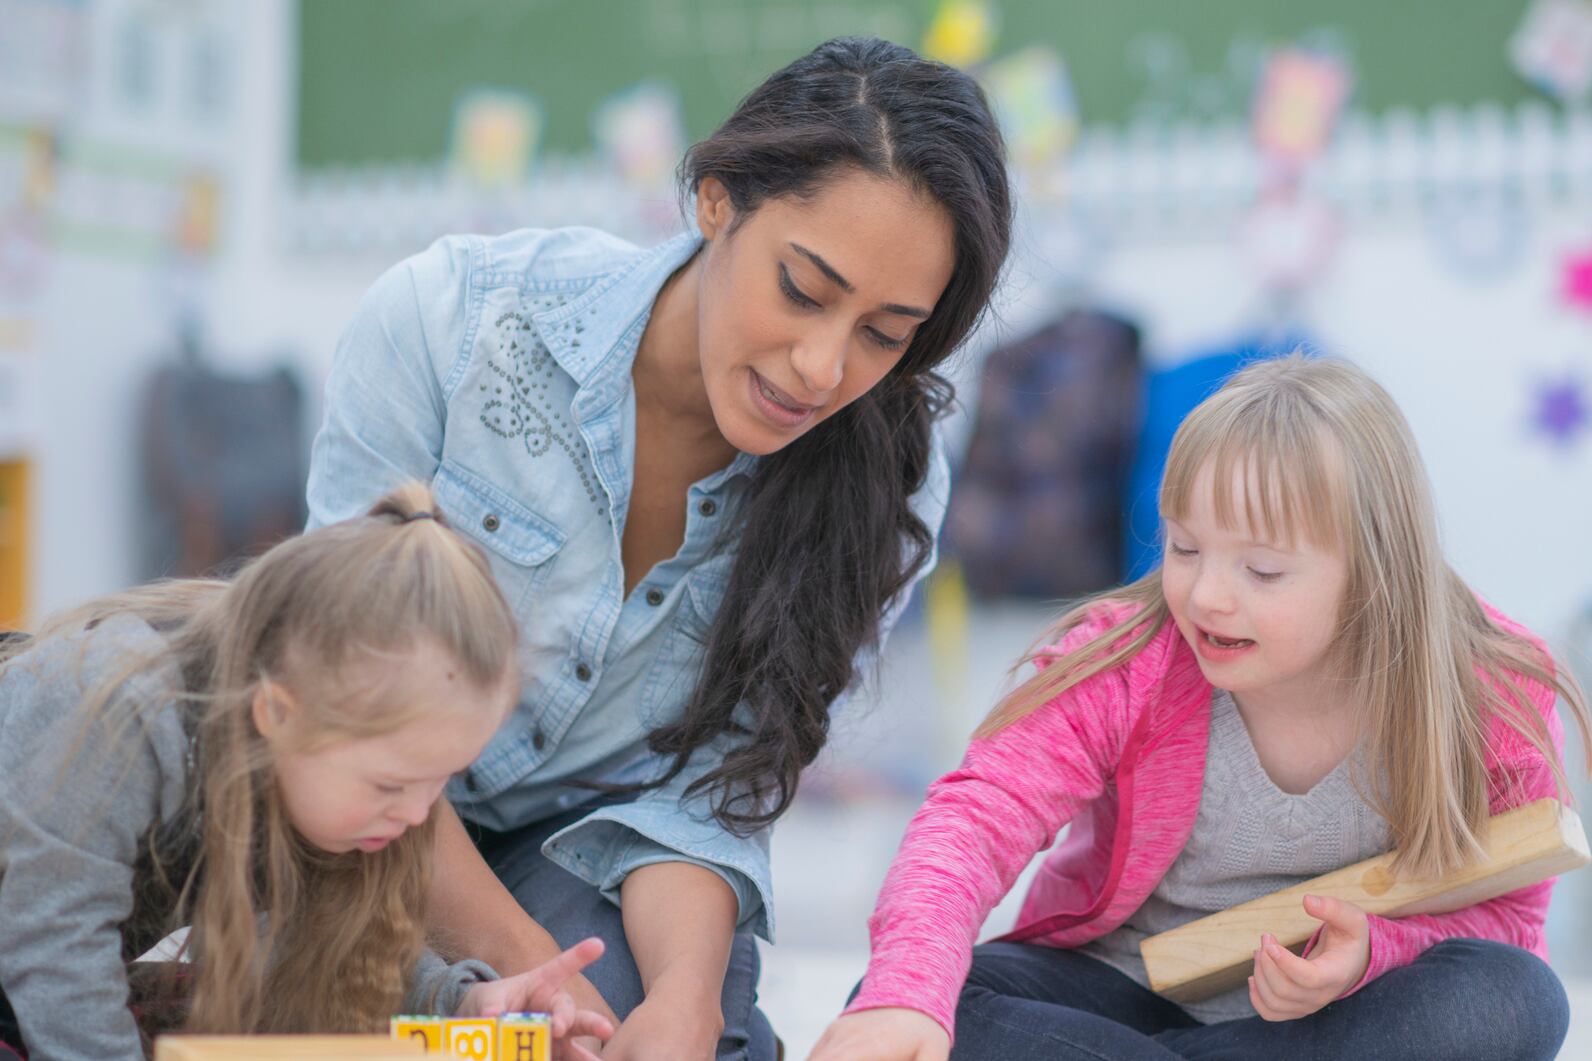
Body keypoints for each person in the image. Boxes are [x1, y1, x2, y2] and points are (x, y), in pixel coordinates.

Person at [305, 35, 1013, 1060]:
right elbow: (339, 711)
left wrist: (683, 997)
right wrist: (545, 975)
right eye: (804, 289)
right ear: (717, 198)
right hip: (360, 819)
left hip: (597, 859)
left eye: (884, 332)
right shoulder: (450, 322)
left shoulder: (884, 479)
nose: (821, 367)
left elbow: (711, 789)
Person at [810, 355, 1589, 1061]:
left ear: (1374, 572)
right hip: (1121, 1001)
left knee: (1516, 995)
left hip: (1340, 1020)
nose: (1207, 594)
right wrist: (906, 990)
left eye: (1261, 568)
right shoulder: (1127, 657)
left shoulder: (1488, 686)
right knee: (917, 1002)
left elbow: (1509, 918)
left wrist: (1375, 949)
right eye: (1184, 548)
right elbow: (975, 821)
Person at [0, 484, 614, 1060]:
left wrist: (464, 1010)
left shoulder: (323, 769)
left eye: (440, 782)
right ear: (276, 712)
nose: (419, 813)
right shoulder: (121, 706)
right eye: (391, 785)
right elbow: (53, 943)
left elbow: (348, 955)